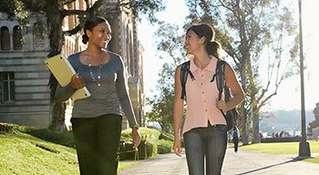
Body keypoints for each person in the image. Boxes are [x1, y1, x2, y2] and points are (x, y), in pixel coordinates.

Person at [55, 16, 141, 175]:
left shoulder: (116, 60)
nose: (107, 36)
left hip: (110, 116)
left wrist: (134, 126)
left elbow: (123, 95)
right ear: (88, 32)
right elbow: (59, 96)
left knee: (107, 166)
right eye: (102, 31)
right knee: (88, 168)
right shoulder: (73, 61)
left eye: (108, 33)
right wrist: (72, 87)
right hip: (83, 119)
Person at [173, 23, 245, 175]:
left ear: (202, 40)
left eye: (189, 37)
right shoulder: (182, 70)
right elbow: (178, 104)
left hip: (217, 130)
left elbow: (240, 94)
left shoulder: (222, 68)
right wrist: (176, 137)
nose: (185, 42)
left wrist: (227, 105)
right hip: (192, 131)